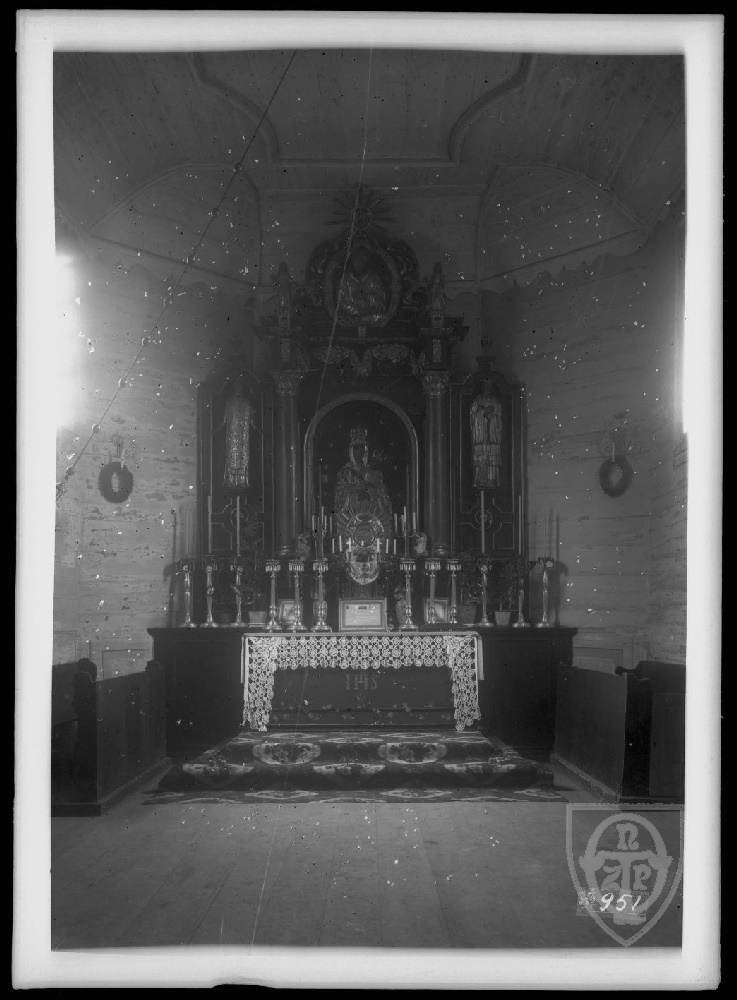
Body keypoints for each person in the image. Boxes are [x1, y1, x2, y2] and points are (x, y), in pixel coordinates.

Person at [470, 384, 502, 489]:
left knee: (492, 461)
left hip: (492, 437)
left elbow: (499, 419)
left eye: (489, 387)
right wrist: (482, 412)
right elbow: (473, 417)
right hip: (480, 436)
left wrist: (492, 416)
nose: (487, 389)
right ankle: (480, 481)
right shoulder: (477, 400)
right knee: (480, 461)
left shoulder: (495, 402)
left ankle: (492, 481)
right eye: (485, 386)